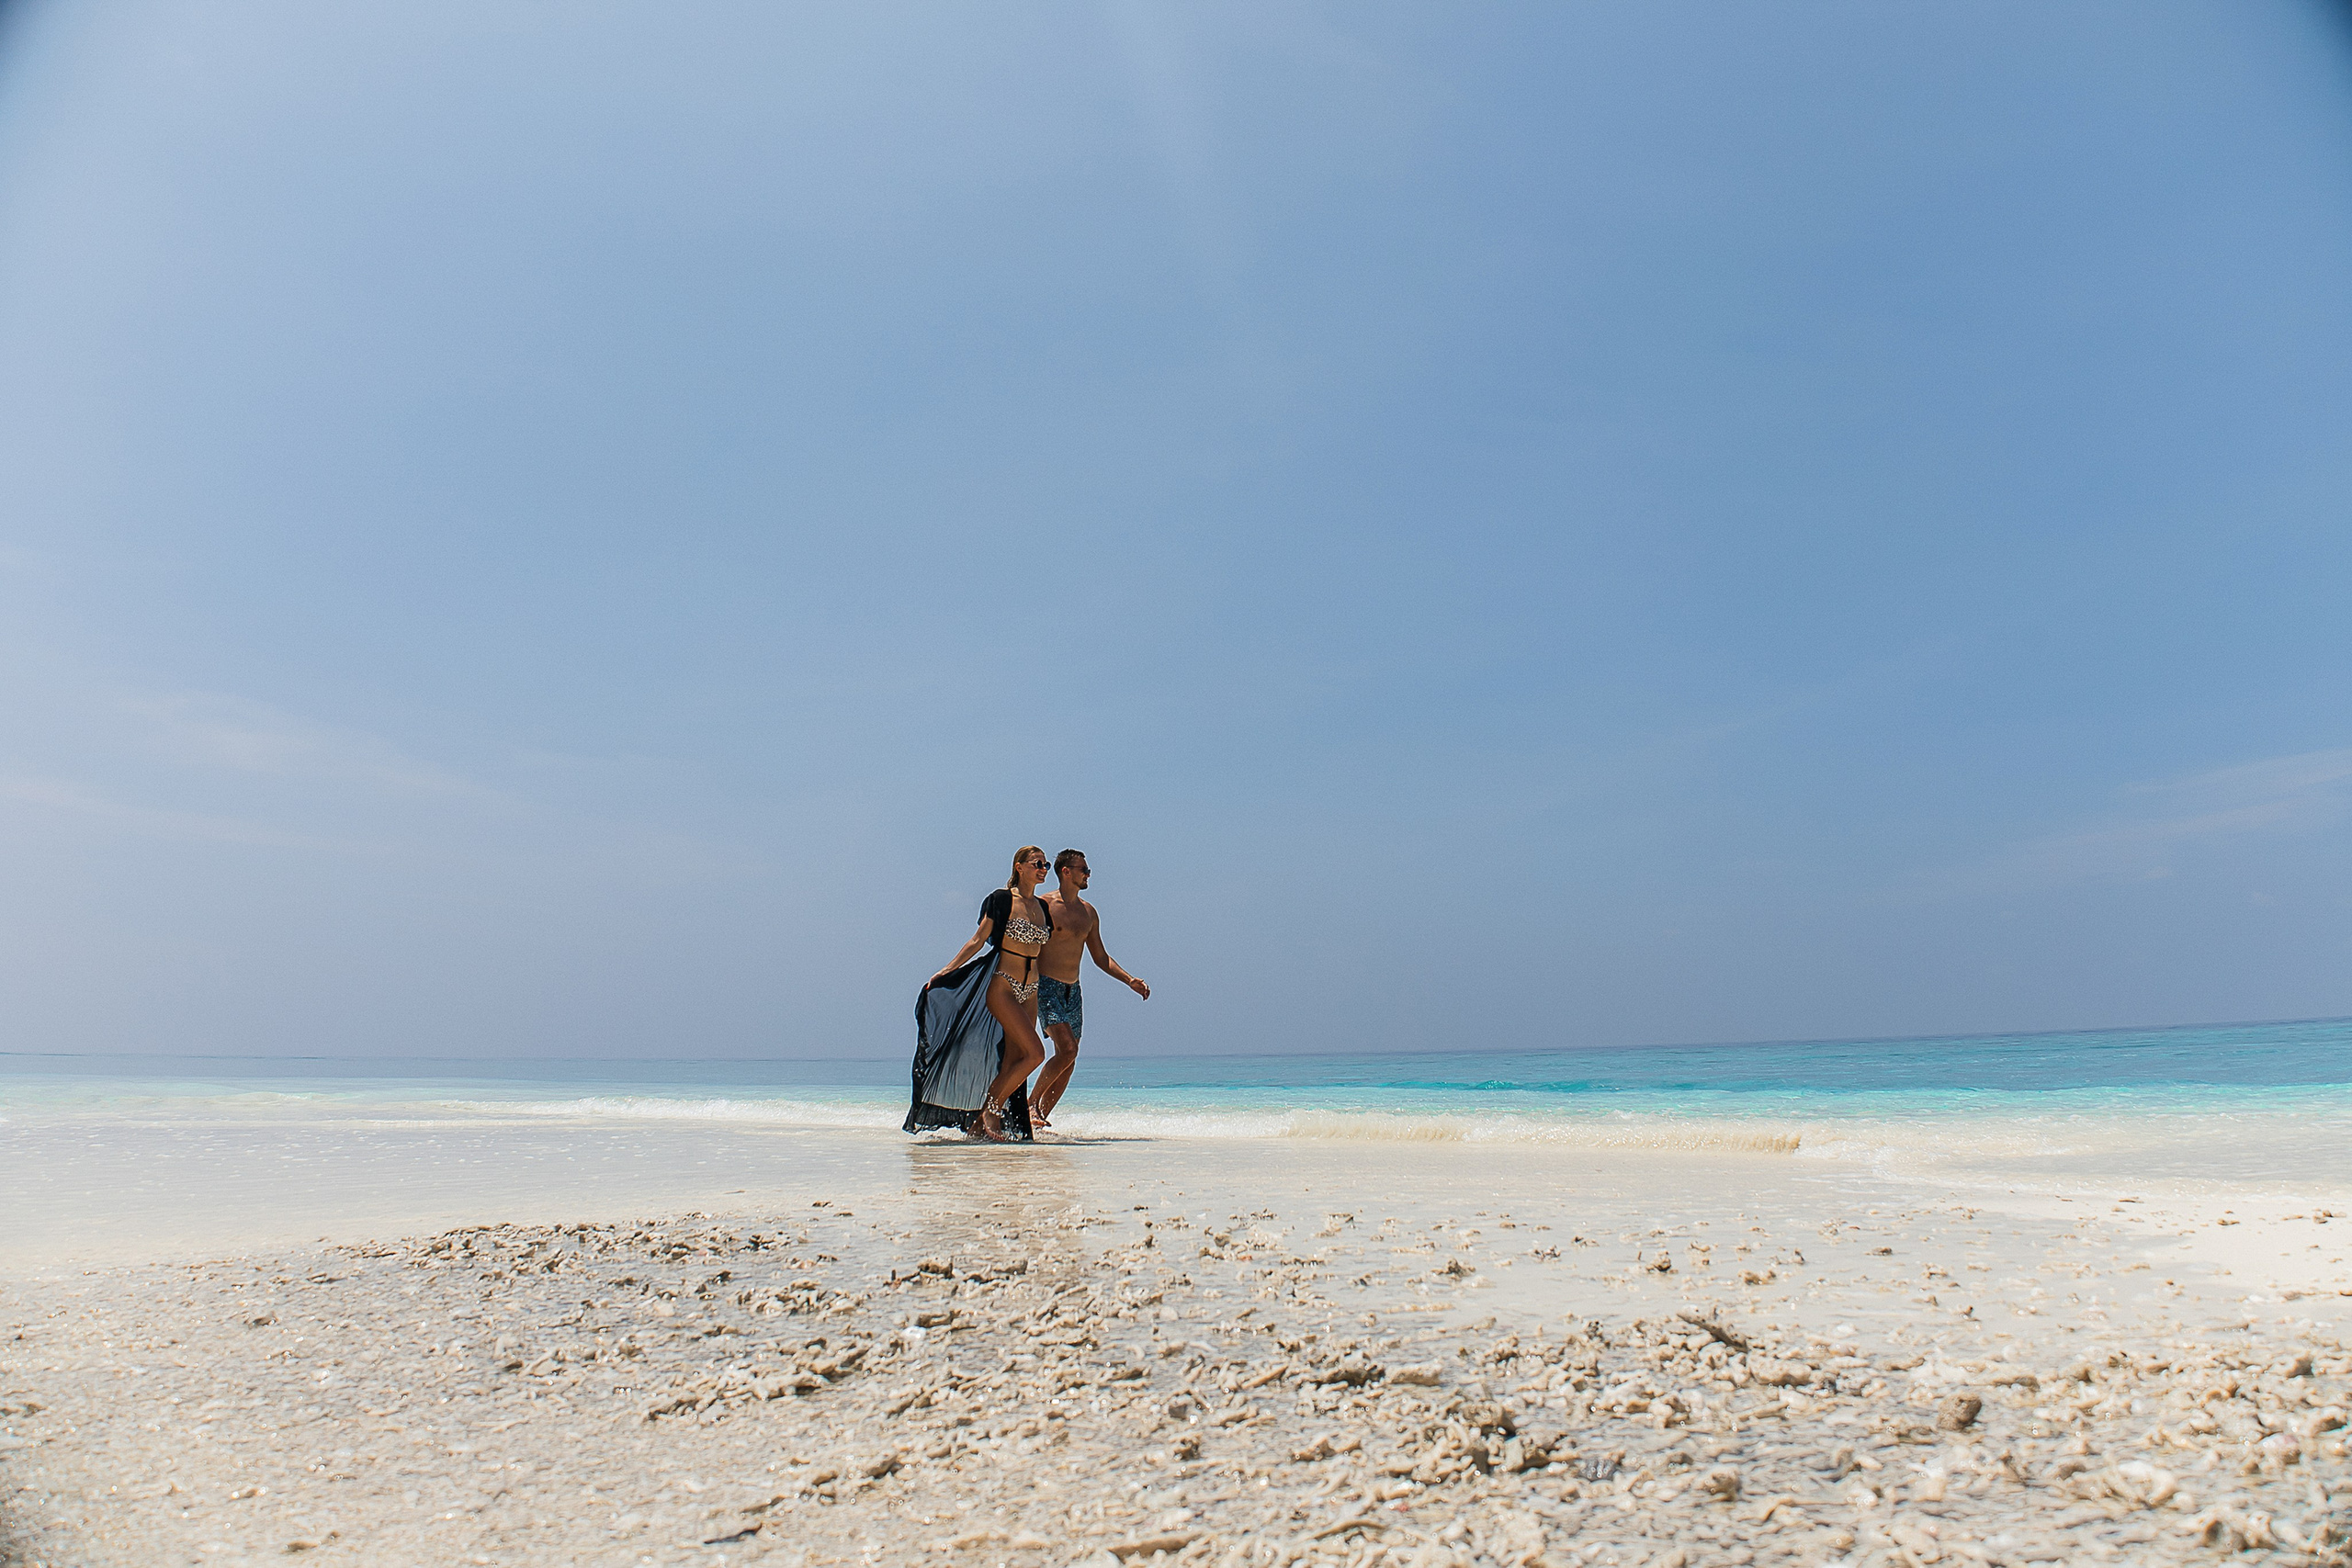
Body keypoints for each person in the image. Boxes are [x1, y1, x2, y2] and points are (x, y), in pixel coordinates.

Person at [904, 846, 1054, 1143]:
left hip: (1032, 990)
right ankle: (992, 1110)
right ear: (1019, 867)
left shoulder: (1042, 906)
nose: (1043, 869)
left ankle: (977, 1131)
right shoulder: (1000, 900)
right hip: (1004, 986)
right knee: (1035, 1054)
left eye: (1046, 864)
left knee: (1015, 1062)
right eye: (1037, 863)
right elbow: (978, 940)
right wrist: (946, 970)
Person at [1031, 849, 1148, 1130]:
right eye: (1083, 870)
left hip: (1074, 991)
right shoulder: (1043, 906)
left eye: (1088, 870)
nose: (1088, 875)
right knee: (1067, 1049)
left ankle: (1039, 1119)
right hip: (1046, 987)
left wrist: (1129, 980)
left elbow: (1100, 957)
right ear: (1066, 872)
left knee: (1069, 1059)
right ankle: (1031, 1103)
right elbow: (1026, 949)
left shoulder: (1088, 912)